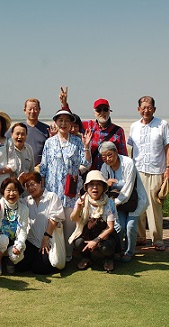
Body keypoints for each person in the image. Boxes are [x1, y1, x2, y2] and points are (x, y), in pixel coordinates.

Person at [40, 107, 91, 262]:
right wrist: (42, 190)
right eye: (60, 120)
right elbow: (43, 167)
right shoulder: (49, 142)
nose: (63, 123)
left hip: (71, 191)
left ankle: (68, 255)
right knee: (53, 224)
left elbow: (86, 163)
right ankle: (55, 254)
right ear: (55, 123)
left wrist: (87, 146)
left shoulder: (77, 141)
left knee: (69, 225)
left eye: (67, 121)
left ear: (71, 124)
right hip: (53, 191)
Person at [128, 96, 169, 251]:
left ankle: (157, 239)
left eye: (149, 107)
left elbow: (168, 148)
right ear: (139, 109)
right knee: (138, 205)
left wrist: (168, 169)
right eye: (143, 107)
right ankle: (140, 237)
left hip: (155, 171)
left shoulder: (162, 124)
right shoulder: (134, 126)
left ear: (154, 108)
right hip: (138, 171)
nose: (146, 110)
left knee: (154, 206)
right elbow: (133, 150)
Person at [99, 141, 148, 262]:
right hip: (117, 202)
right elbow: (102, 186)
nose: (107, 159)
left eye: (110, 155)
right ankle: (118, 250)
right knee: (119, 227)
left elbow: (129, 187)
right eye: (104, 157)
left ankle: (129, 252)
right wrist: (106, 183)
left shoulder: (128, 163)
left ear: (116, 152)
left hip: (133, 201)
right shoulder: (105, 167)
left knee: (130, 226)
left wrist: (114, 203)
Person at [17, 172, 65, 274]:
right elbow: (12, 201)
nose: (31, 188)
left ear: (40, 183)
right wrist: (18, 184)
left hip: (48, 241)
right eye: (27, 186)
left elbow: (54, 219)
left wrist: (46, 238)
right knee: (20, 267)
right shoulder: (26, 201)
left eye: (33, 184)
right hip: (32, 241)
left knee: (40, 268)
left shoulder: (51, 197)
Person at [69, 170, 117, 272]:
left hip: (104, 236)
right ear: (86, 187)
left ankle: (108, 259)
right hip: (87, 233)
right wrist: (78, 208)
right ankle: (86, 258)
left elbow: (110, 227)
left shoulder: (109, 203)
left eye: (98, 184)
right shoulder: (81, 200)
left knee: (106, 248)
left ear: (104, 187)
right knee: (78, 243)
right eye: (91, 184)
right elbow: (73, 218)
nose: (95, 187)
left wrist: (96, 240)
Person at [0, 178, 29, 276]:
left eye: (15, 190)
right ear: (3, 192)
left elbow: (23, 230)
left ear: (19, 192)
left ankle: (9, 260)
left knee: (18, 255)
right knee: (3, 239)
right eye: (9, 190)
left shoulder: (24, 209)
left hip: (12, 242)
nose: (12, 194)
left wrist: (18, 246)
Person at [82, 98, 128, 170]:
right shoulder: (88, 126)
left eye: (105, 109)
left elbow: (123, 156)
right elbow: (72, 122)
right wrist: (65, 105)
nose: (102, 113)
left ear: (109, 111)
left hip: (110, 173)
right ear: (94, 112)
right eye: (99, 110)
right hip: (91, 174)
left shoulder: (118, 131)